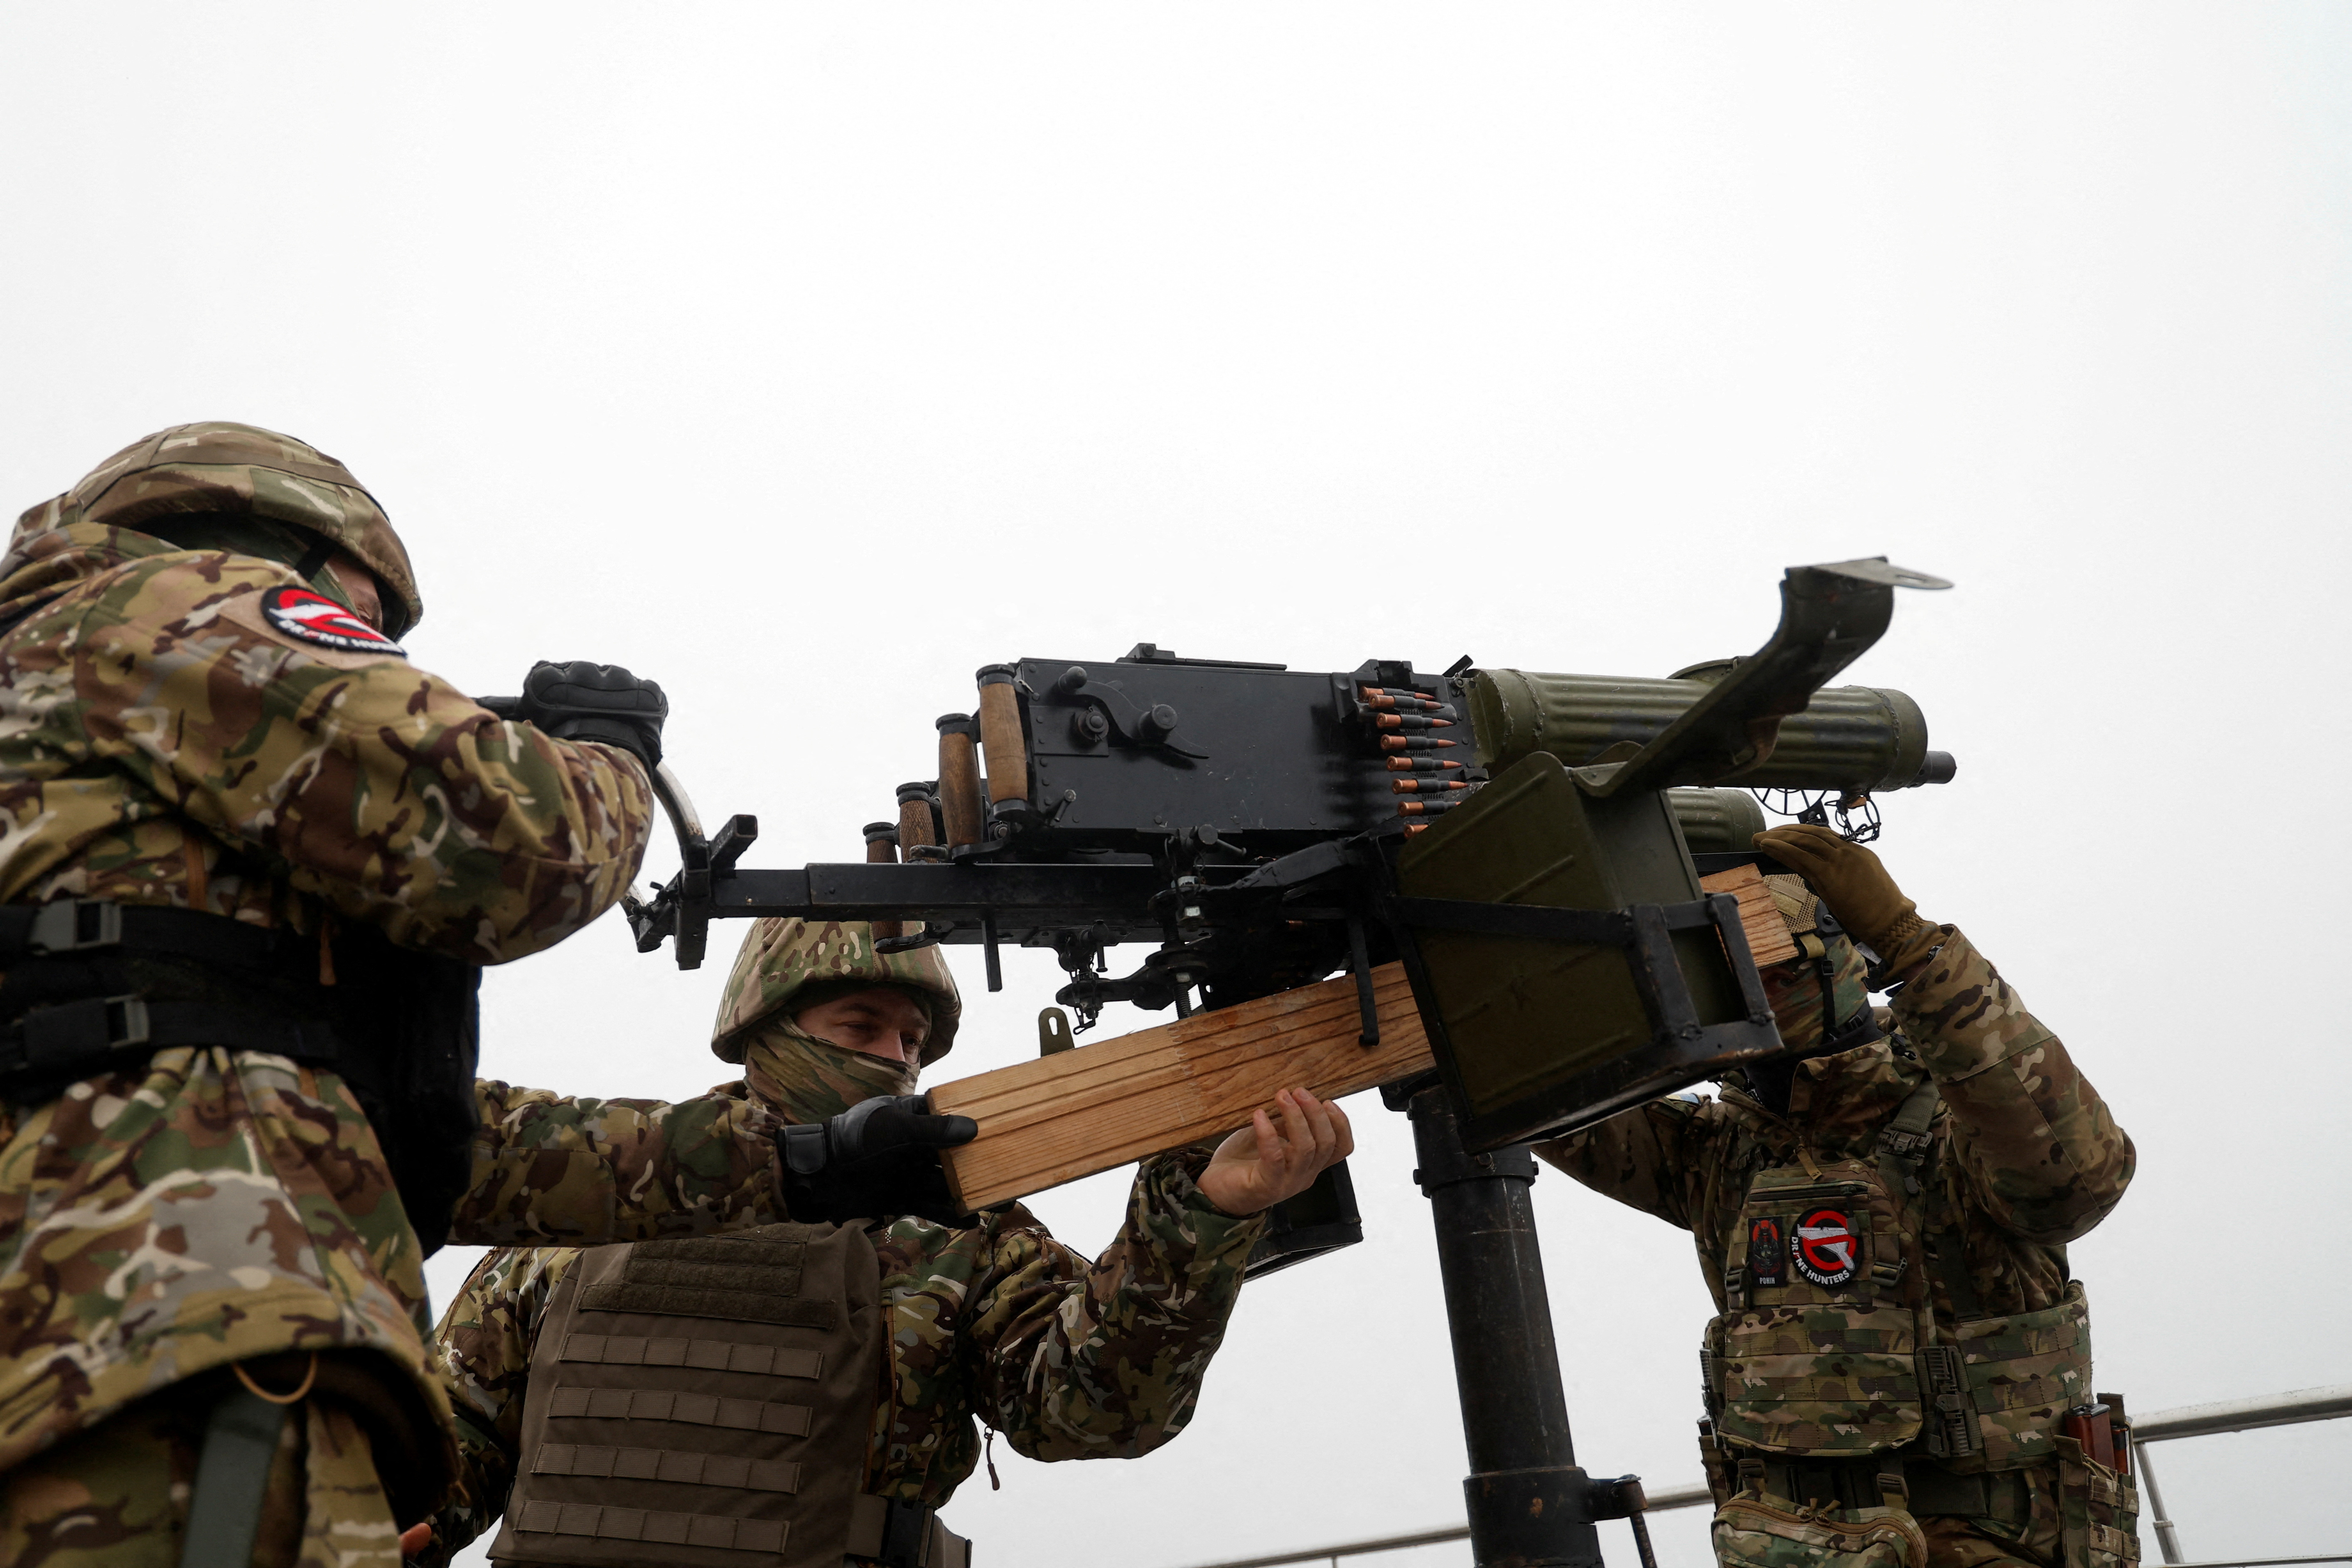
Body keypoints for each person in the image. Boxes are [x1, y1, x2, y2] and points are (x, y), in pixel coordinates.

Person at [0, 424, 807, 1568]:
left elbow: (361, 1118)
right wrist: (607, 754)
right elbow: (521, 839)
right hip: (183, 1348)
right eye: (367, 623)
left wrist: (791, 1160)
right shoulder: (176, 599)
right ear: (295, 548)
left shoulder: (62, 726)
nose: (372, 655)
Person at [423, 917, 1354, 1567]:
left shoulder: (956, 1227)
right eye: (860, 1027)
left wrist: (1201, 1213)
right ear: (768, 1033)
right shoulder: (595, 1207)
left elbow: (1091, 1410)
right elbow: (444, 1452)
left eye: (914, 1039)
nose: (897, 1058)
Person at [1536, 824, 2138, 1568]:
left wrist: (1916, 949)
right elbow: (1536, 1089)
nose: (1748, 993)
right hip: (1791, 1545)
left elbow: (2077, 1179)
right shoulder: (1722, 1148)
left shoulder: (1953, 1125)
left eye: (1768, 967)